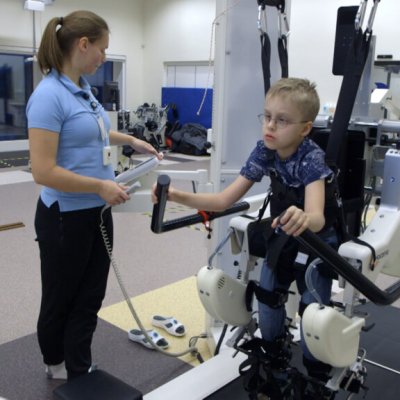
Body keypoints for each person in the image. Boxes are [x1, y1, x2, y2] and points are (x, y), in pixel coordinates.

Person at [152, 78, 339, 391]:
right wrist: (176, 196)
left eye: (282, 120)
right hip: (284, 234)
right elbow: (223, 200)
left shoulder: (311, 157)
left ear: (305, 129)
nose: (270, 126)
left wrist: (304, 217)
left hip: (317, 241)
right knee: (267, 297)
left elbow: (317, 217)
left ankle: (316, 378)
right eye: (267, 116)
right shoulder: (264, 150)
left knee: (312, 315)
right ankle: (275, 364)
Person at [27, 10, 162, 381]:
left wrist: (131, 139)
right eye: (102, 49)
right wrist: (100, 186)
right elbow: (42, 171)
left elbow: (93, 130)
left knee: (90, 294)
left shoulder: (83, 88)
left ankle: (78, 363)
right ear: (83, 44)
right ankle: (55, 363)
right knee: (62, 295)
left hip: (96, 212)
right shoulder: (48, 96)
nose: (104, 57)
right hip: (64, 216)